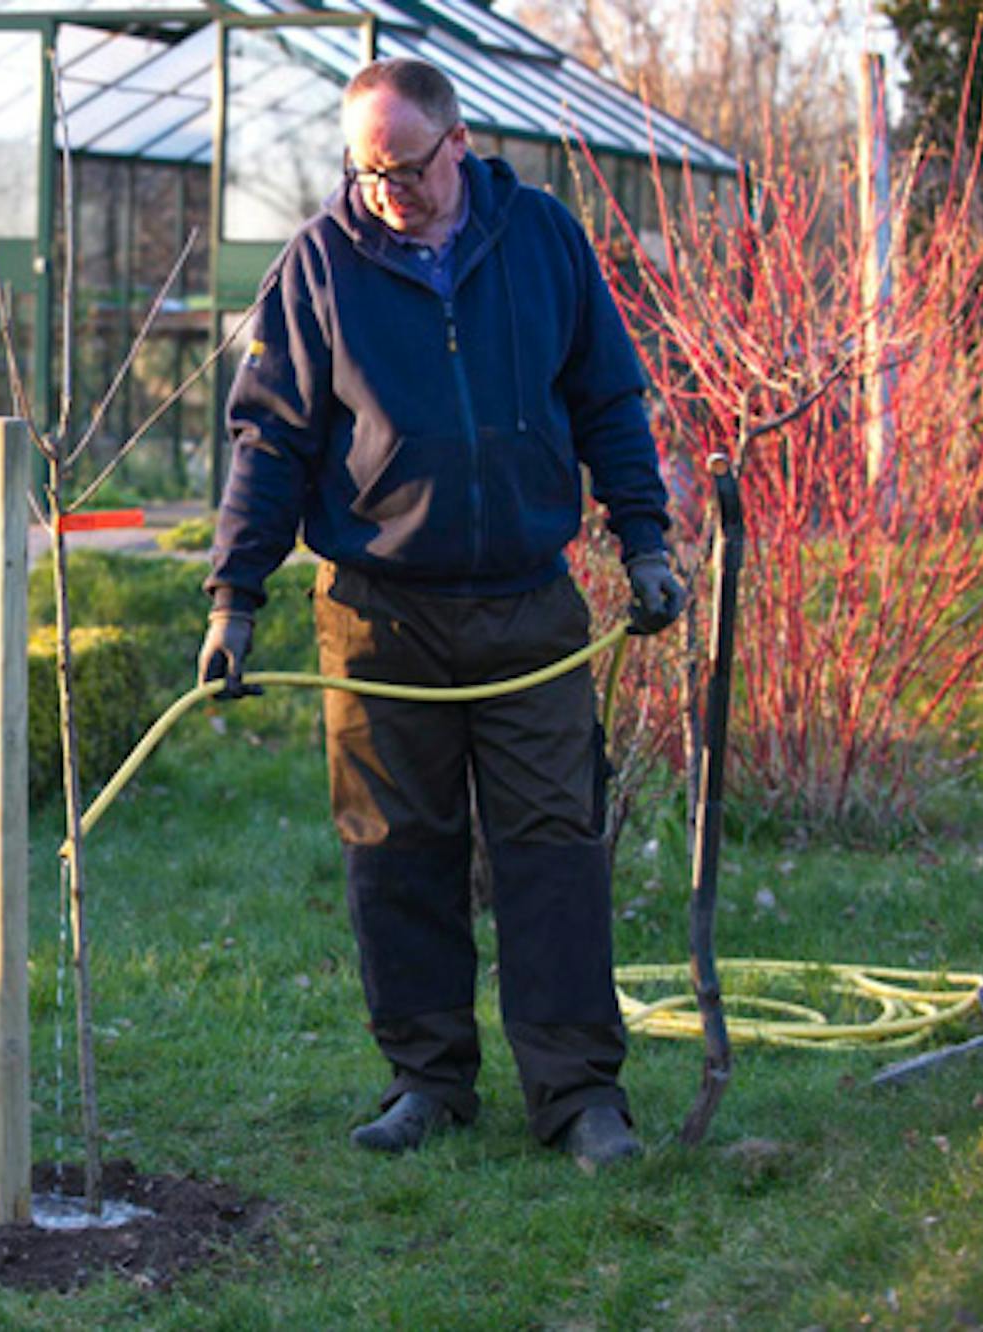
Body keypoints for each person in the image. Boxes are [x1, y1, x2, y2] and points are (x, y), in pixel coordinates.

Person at [197, 57, 686, 1170]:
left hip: (527, 606)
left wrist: (645, 540)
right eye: (364, 172)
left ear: (456, 143)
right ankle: (428, 1080)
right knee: (396, 851)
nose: (385, 192)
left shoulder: (546, 241)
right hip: (378, 616)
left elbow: (608, 397)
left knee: (552, 848)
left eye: (405, 169)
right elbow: (268, 441)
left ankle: (577, 1095)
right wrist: (235, 598)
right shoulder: (318, 266)